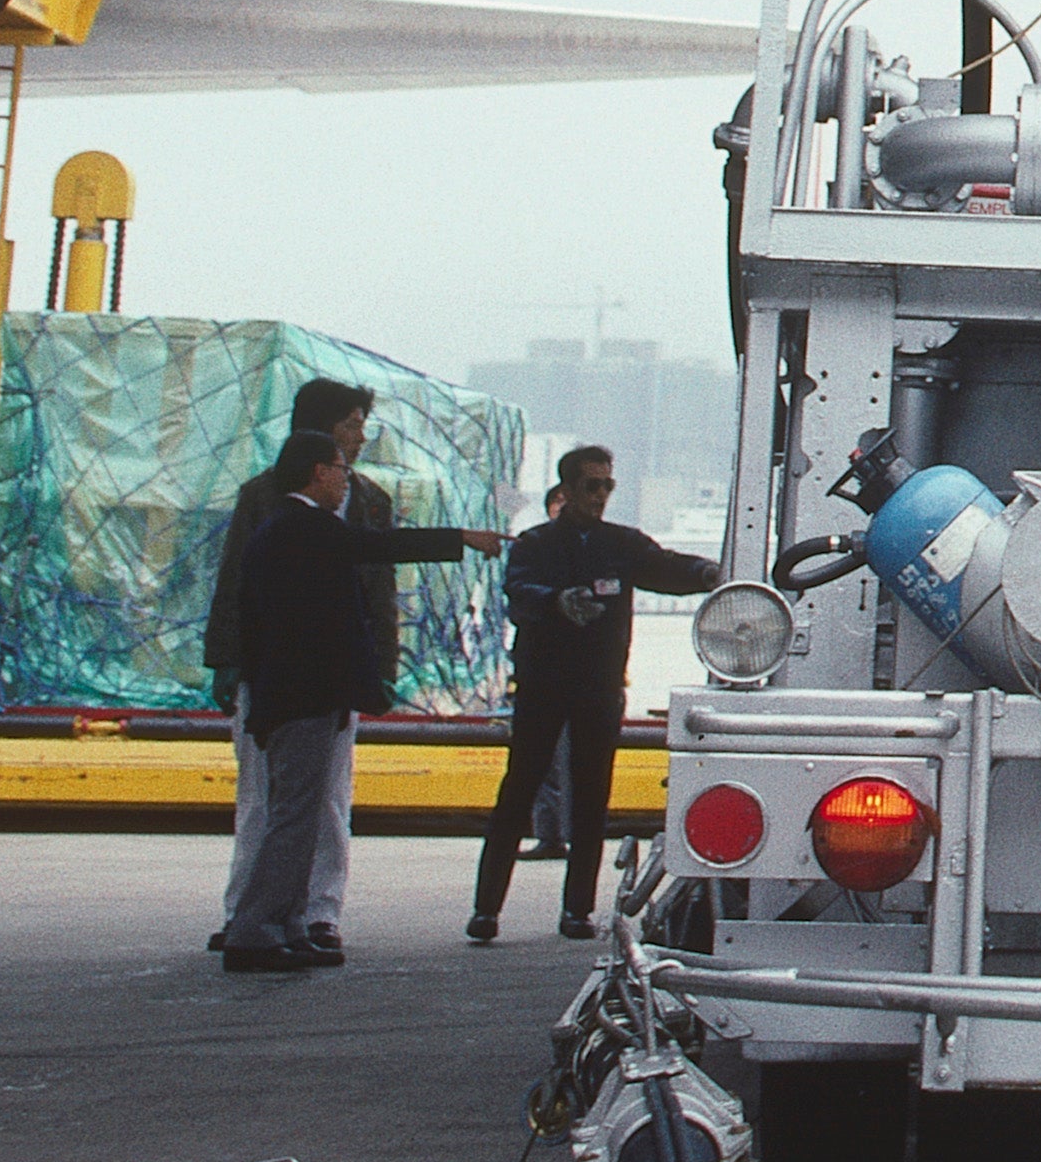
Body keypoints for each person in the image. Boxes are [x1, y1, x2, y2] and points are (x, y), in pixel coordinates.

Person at [219, 432, 498, 970]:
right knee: (295, 817)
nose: (347, 479)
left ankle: (290, 923)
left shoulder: (275, 532)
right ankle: (254, 928)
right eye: (342, 470)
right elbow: (380, 547)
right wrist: (462, 538)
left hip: (288, 694)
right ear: (318, 472)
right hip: (305, 697)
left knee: (297, 815)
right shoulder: (309, 530)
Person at [472, 448, 715, 943]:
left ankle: (577, 910)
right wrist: (556, 602)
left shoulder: (620, 545)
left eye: (607, 486)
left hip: (599, 687)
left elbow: (665, 569)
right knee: (518, 792)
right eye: (591, 486)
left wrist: (711, 573)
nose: (601, 495)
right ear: (567, 491)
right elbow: (517, 591)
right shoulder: (535, 545)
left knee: (591, 799)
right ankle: (485, 908)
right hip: (543, 687)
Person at [204, 379, 411, 956]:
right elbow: (235, 586)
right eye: (351, 425)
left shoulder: (369, 500)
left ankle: (317, 911)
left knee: (327, 799)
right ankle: (248, 907)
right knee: (261, 798)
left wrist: (382, 667)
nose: (361, 438)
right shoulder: (263, 498)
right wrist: (226, 660)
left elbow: (380, 594)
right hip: (272, 673)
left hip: (333, 677)